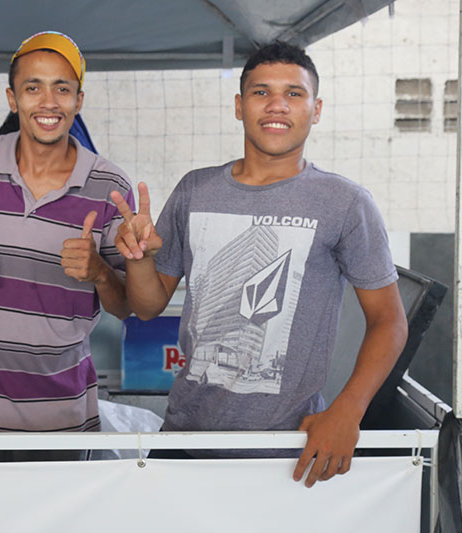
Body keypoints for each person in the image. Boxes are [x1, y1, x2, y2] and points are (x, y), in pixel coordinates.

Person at [111, 41, 408, 487]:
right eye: (260, 92)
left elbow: (389, 320)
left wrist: (348, 409)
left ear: (317, 108)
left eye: (294, 93)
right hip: (184, 439)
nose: (277, 105)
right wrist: (138, 260)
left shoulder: (345, 203)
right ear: (239, 105)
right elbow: (148, 306)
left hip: (289, 452)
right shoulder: (196, 190)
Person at [0, 31, 134, 457]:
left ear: (78, 101)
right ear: (13, 99)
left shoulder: (111, 186)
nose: (48, 102)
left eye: (62, 88)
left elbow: (125, 307)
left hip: (64, 418)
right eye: (33, 87)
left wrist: (100, 271)